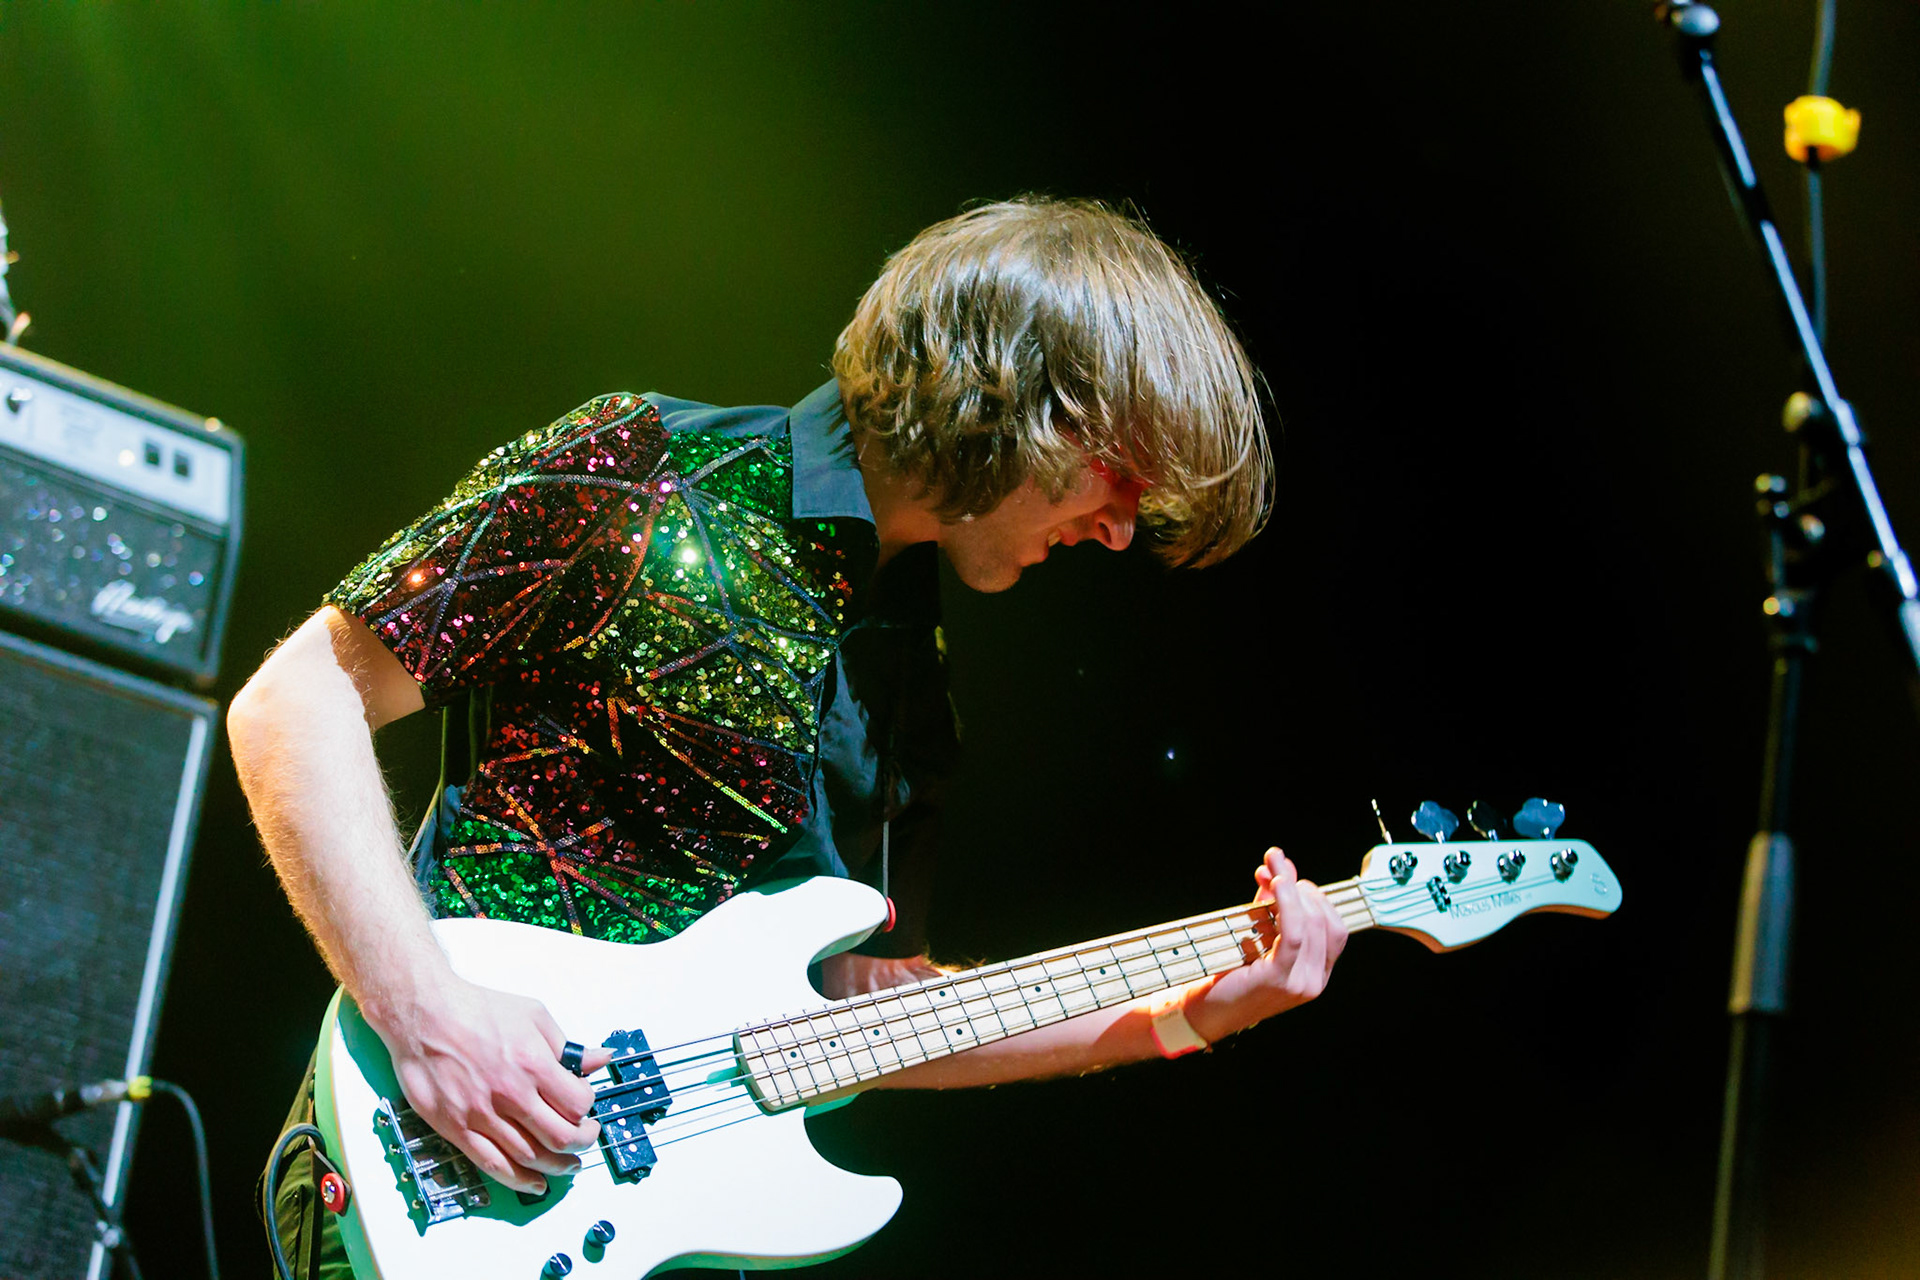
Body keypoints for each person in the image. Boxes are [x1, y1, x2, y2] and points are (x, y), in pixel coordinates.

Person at [229, 196, 1349, 1276]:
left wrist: (1192, 1013)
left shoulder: (911, 677)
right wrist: (425, 1012)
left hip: (645, 1231)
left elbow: (864, 1012)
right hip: (440, 1173)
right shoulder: (650, 471)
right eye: (1123, 474)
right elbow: (297, 700)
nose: (1118, 529)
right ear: (1021, 397)